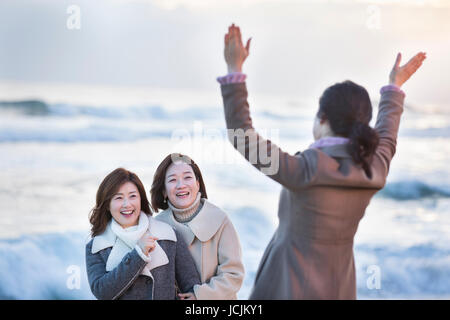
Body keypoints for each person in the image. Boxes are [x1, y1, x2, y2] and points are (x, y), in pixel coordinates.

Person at [217, 23, 426, 299]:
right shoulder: (374, 168)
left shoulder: (304, 171)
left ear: (323, 118)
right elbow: (387, 133)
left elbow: (242, 136)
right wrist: (394, 88)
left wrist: (235, 70)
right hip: (338, 290)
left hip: (288, 288)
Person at [85, 167, 201, 300]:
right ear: (107, 204)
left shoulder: (168, 235)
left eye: (133, 196)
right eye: (118, 198)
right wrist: (138, 254)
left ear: (141, 199)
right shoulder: (97, 246)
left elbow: (191, 285)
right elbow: (103, 293)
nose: (127, 204)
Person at [151, 153, 245, 300]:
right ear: (164, 191)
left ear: (198, 183)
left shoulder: (219, 219)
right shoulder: (157, 227)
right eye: (172, 180)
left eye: (187, 177)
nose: (181, 185)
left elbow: (234, 274)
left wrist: (200, 296)